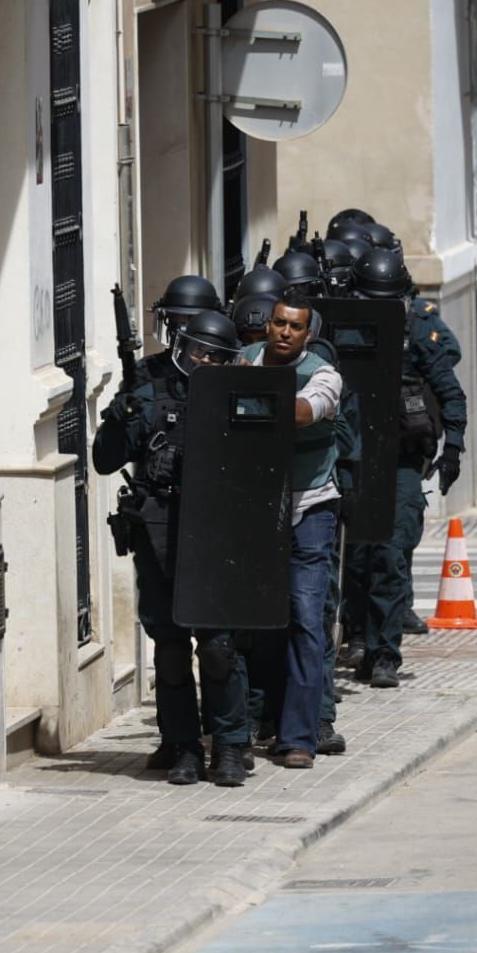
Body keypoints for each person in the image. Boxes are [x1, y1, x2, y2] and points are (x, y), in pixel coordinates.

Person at [94, 305, 252, 786]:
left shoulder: (240, 393)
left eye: (215, 355)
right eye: (198, 351)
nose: (204, 361)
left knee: (218, 647)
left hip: (218, 531)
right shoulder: (150, 388)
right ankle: (183, 745)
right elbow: (105, 460)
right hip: (159, 527)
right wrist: (119, 418)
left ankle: (230, 745)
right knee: (169, 647)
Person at [347, 248, 467, 689]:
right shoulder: (343, 327)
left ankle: (384, 653)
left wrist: (452, 450)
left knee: (390, 554)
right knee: (354, 558)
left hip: (399, 460)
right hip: (352, 457)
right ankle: (357, 637)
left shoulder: (416, 329)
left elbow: (450, 393)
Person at [239, 291, 347, 766]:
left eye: (296, 326)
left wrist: (245, 387)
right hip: (255, 507)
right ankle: (254, 719)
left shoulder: (324, 375)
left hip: (311, 505)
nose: (285, 332)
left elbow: (301, 412)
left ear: (309, 333)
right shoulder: (242, 359)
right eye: (279, 323)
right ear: (268, 324)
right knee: (257, 619)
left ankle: (299, 738)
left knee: (306, 618)